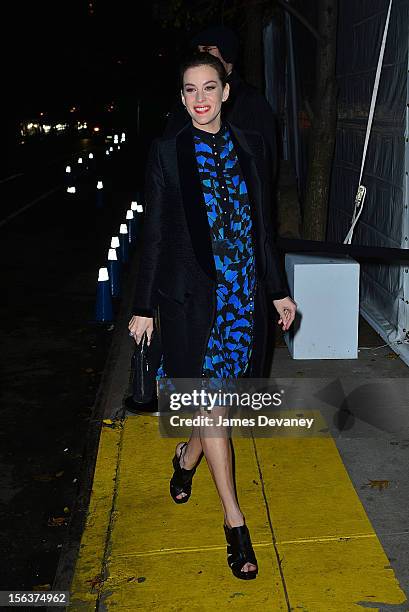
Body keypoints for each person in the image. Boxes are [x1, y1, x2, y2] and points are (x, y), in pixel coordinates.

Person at [128, 52, 296, 580]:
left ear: (226, 92)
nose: (199, 100)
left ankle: (185, 458)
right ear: (181, 97)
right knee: (213, 408)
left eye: (208, 88)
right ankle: (235, 523)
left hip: (240, 302)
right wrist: (142, 306)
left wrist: (277, 293)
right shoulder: (167, 153)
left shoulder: (252, 147)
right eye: (188, 90)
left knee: (215, 406)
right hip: (188, 303)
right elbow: (154, 234)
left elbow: (262, 231)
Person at [163, 24, 280, 182]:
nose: (202, 57)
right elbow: (168, 154)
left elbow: (265, 164)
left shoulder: (251, 101)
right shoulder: (186, 101)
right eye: (200, 51)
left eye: (208, 50)